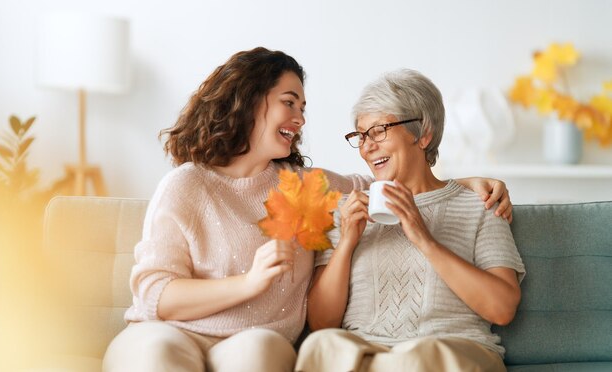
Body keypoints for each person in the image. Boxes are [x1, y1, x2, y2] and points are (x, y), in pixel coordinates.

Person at [103, 48, 513, 372]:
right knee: (157, 359)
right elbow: (155, 293)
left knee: (260, 353)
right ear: (249, 102)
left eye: (303, 107)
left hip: (255, 339)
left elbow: (394, 183)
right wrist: (250, 283)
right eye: (289, 103)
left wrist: (467, 184)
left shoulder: (306, 184)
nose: (300, 119)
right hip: (171, 331)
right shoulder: (187, 184)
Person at [296, 69, 526, 372]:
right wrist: (347, 243)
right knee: (320, 346)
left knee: (414, 358)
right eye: (361, 135)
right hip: (367, 351)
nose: (366, 147)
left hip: (447, 349)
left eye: (379, 130)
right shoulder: (346, 211)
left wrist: (424, 238)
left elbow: (503, 308)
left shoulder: (480, 204)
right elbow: (322, 323)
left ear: (423, 134)